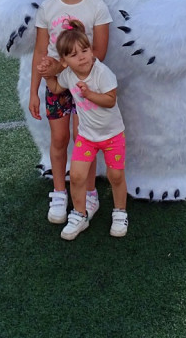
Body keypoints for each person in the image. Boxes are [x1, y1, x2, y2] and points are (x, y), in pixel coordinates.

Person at [30, 0, 110, 225]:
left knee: (83, 140)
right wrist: (35, 91)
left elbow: (99, 52)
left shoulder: (97, 8)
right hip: (55, 89)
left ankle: (89, 193)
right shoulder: (48, 9)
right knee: (59, 139)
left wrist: (63, 67)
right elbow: (40, 53)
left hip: (85, 88)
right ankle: (60, 192)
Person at [44, 20, 128, 240]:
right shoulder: (69, 76)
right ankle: (79, 214)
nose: (82, 57)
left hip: (112, 136)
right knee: (78, 176)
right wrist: (47, 75)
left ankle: (120, 212)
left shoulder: (102, 72)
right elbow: (55, 88)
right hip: (87, 137)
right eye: (73, 55)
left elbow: (110, 100)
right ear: (64, 62)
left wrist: (89, 94)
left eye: (85, 50)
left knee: (116, 175)